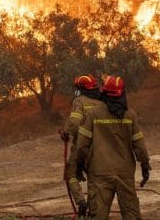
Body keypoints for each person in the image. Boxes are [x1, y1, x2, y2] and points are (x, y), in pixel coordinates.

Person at [73, 76, 150, 220]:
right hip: (125, 173)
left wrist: (79, 165)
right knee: (131, 214)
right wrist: (145, 166)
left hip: (99, 173)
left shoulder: (93, 114)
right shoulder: (130, 115)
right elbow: (139, 146)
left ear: (104, 92)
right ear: (122, 93)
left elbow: (82, 145)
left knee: (98, 216)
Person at [60, 74, 104, 217]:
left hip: (81, 147)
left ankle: (81, 202)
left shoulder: (79, 101)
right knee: (93, 178)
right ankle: (94, 210)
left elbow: (74, 122)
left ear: (81, 89)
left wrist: (65, 133)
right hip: (99, 149)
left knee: (70, 173)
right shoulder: (102, 103)